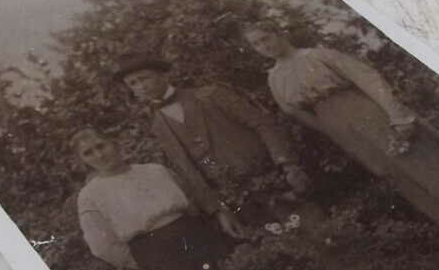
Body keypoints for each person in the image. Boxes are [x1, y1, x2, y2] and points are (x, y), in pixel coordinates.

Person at [242, 23, 439, 233]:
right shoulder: (274, 78)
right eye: (257, 44)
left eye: (267, 38)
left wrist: (395, 114)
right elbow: (293, 111)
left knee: (416, 157)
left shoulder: (318, 56)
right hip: (336, 125)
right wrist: (331, 130)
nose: (265, 46)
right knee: (389, 170)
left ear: (279, 33)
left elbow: (367, 78)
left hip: (362, 109)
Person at [72, 128, 238, 270]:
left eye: (102, 146)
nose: (99, 155)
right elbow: (100, 244)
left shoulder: (155, 171)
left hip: (190, 236)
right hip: (154, 254)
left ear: (114, 143)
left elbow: (190, 201)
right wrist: (142, 261)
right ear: (83, 161)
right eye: (89, 153)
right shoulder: (90, 195)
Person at [113, 54, 312, 237]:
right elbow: (188, 170)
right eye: (133, 83)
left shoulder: (210, 94)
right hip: (241, 203)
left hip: (276, 179)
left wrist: (287, 165)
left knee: (319, 234)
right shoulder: (158, 126)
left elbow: (263, 124)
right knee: (287, 252)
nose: (141, 86)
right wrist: (218, 210)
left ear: (163, 75)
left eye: (144, 78)